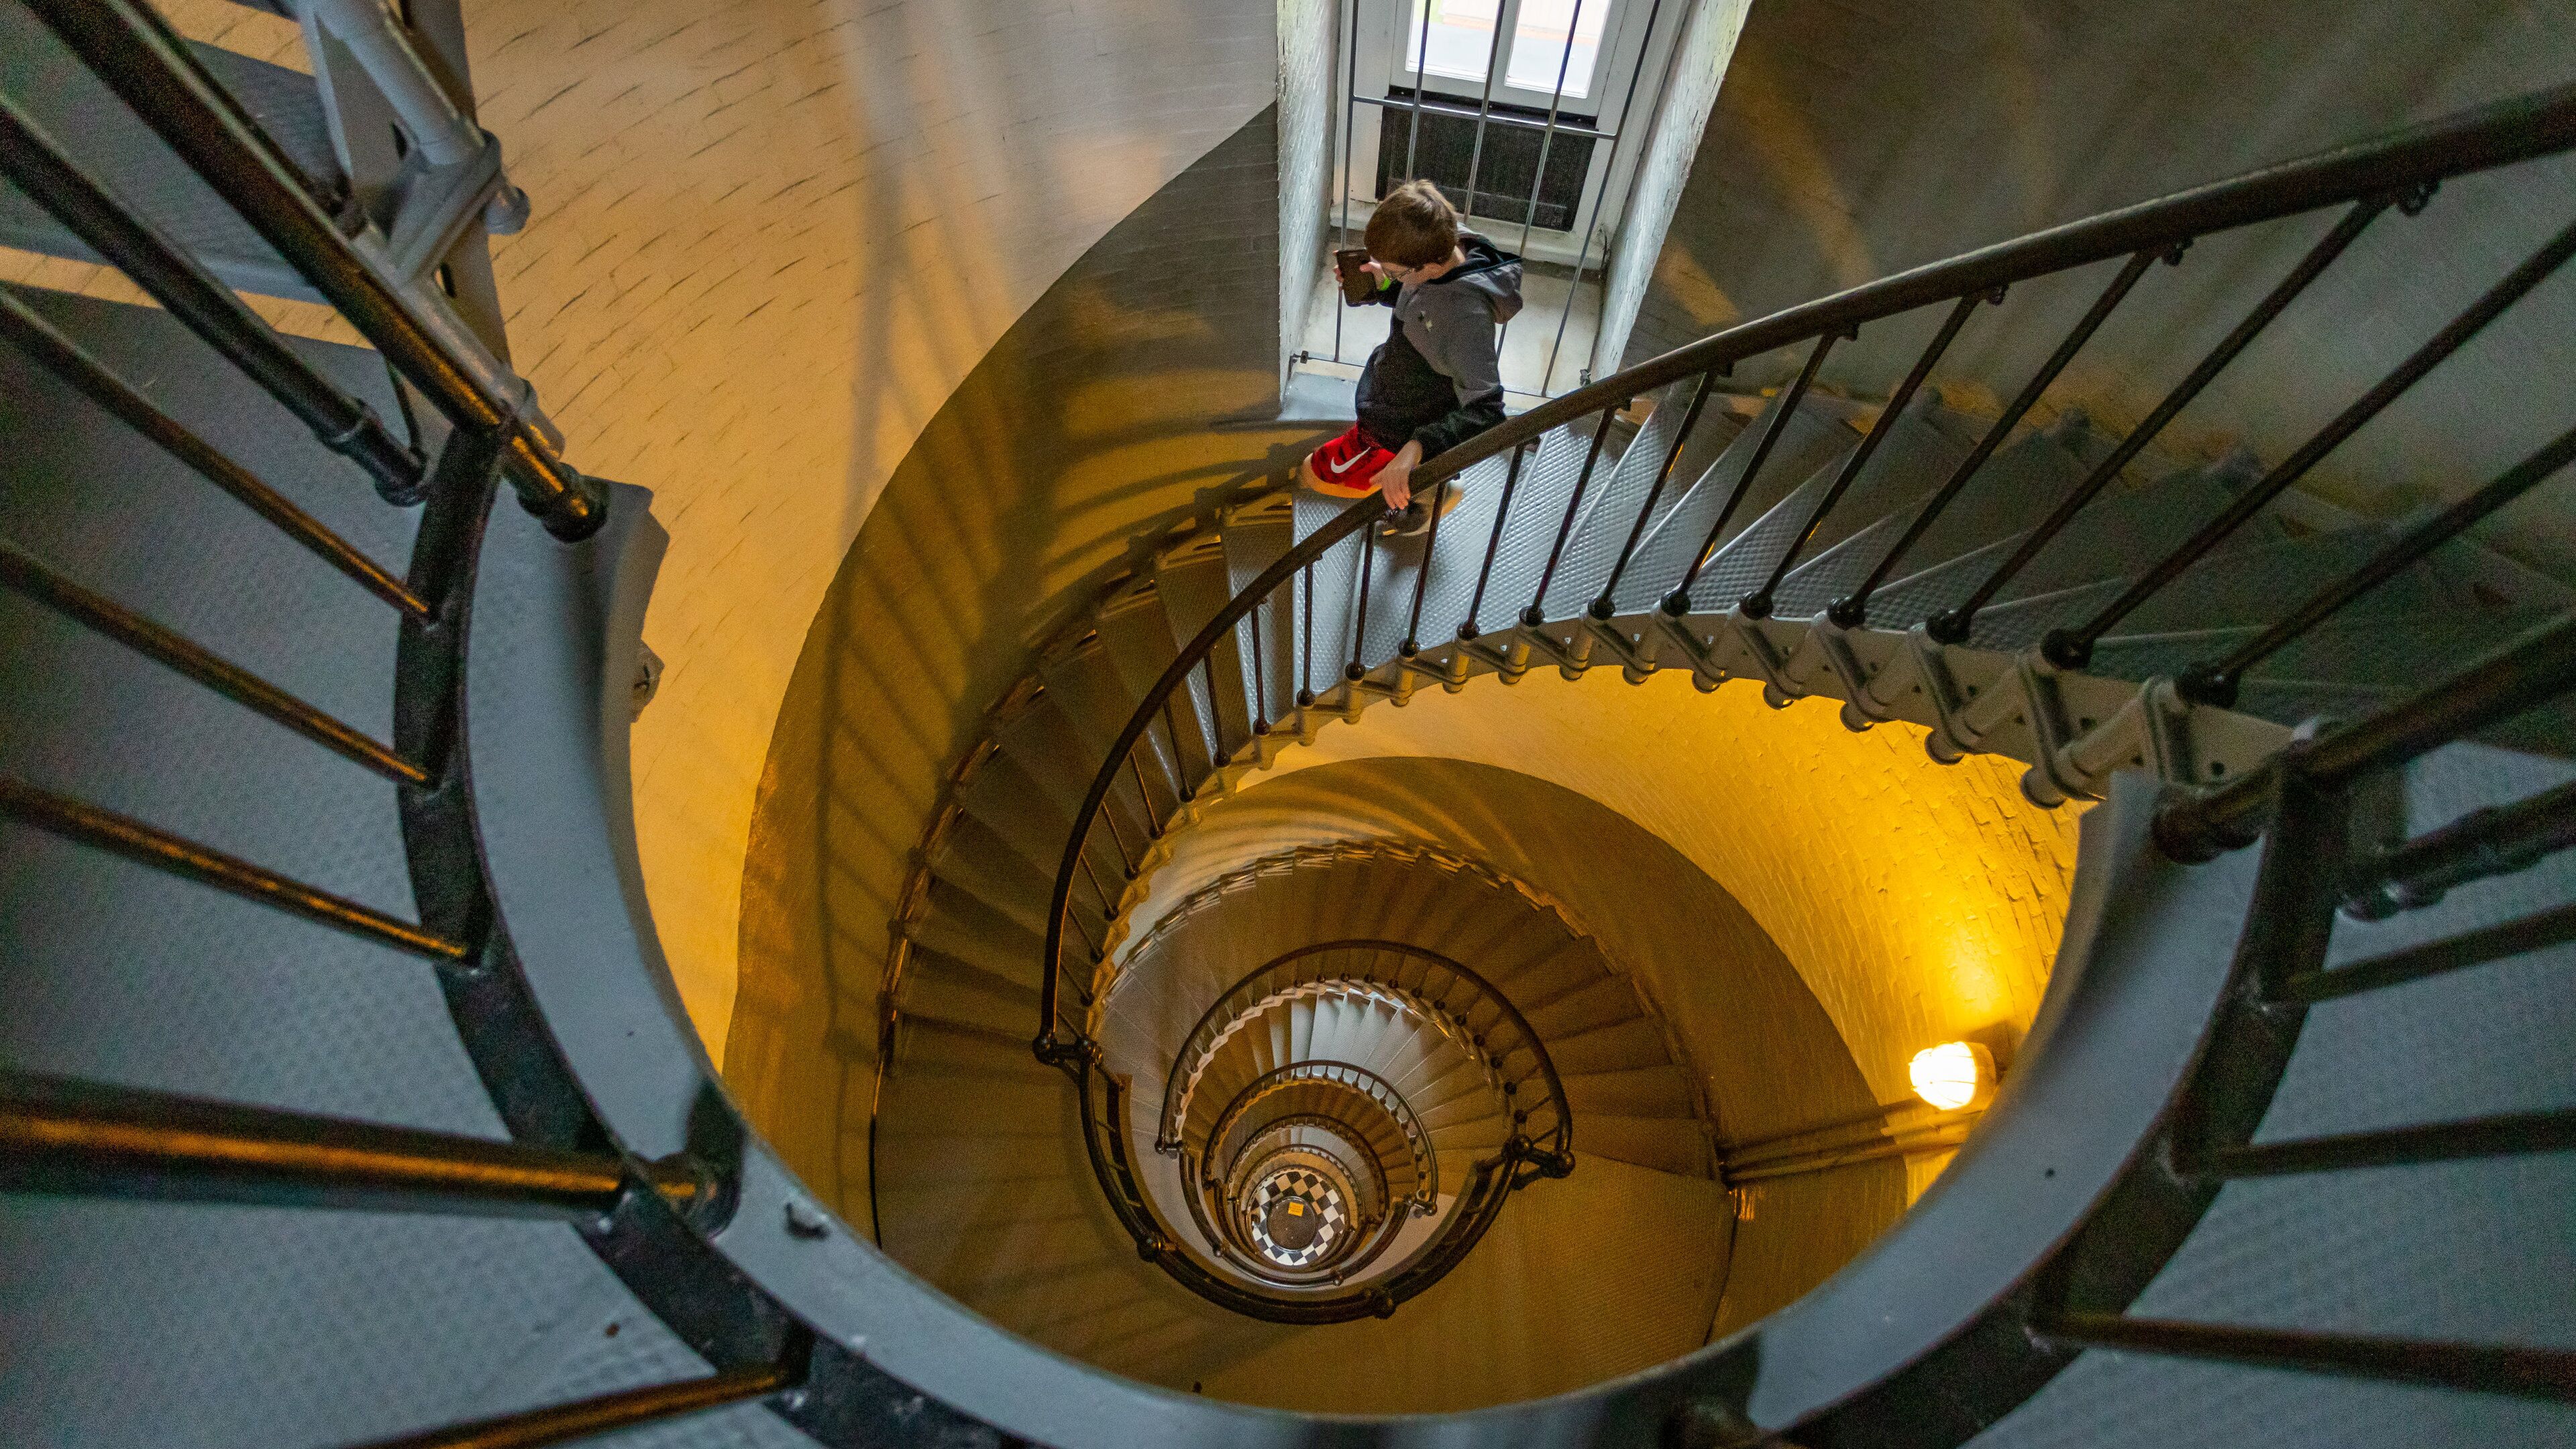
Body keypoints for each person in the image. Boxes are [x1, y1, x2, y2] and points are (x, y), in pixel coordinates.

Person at [1301, 179, 1523, 535]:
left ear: (1427, 266)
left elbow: (1488, 411)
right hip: (1395, 392)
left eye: (1394, 271)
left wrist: (1414, 448)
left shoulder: (1466, 319)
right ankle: (1428, 488)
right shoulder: (1449, 240)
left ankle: (1426, 494)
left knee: (1312, 473)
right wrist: (1385, 285)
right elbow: (1423, 311)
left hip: (1400, 425)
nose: (1388, 273)